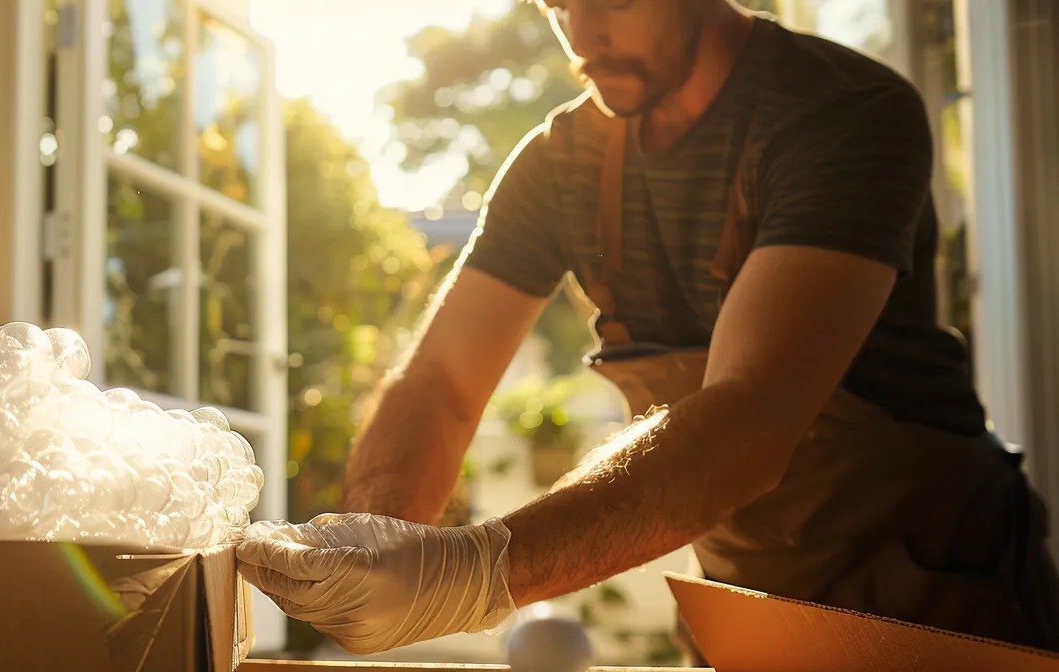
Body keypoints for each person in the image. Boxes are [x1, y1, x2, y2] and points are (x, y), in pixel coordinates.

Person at [235, 0, 1059, 660]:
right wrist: (376, 543)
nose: (583, 37)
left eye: (615, 2)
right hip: (749, 614)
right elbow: (439, 383)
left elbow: (750, 416)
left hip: (941, 604)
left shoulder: (843, 112)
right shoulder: (559, 163)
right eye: (558, 4)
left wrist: (469, 574)